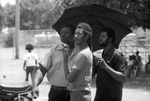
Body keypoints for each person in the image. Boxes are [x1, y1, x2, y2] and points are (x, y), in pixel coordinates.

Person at [32, 23, 78, 101]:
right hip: (56, 93)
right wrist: (35, 86)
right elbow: (41, 70)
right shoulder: (53, 50)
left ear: (74, 35)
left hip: (75, 93)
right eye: (61, 33)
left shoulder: (81, 52)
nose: (63, 35)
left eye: (66, 32)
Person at [93, 27, 126, 101]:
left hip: (112, 98)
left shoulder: (117, 56)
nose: (100, 38)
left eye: (103, 36)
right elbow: (91, 75)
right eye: (100, 36)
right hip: (99, 97)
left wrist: (106, 67)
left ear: (110, 39)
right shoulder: (100, 56)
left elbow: (123, 78)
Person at [62, 22, 93, 101]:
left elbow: (69, 79)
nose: (75, 36)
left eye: (79, 34)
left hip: (79, 95)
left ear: (86, 36)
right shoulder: (86, 52)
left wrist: (65, 59)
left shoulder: (82, 55)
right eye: (75, 33)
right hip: (81, 93)